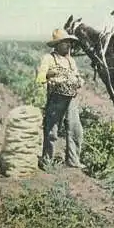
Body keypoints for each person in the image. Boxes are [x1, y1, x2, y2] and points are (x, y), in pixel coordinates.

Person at [36, 28, 85, 169]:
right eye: (65, 42)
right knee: (52, 130)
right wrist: (52, 77)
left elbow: (76, 76)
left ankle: (73, 160)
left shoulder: (71, 61)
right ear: (57, 44)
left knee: (75, 129)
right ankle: (47, 161)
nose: (68, 45)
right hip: (56, 98)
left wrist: (79, 81)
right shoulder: (48, 59)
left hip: (71, 98)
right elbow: (40, 77)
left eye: (69, 42)